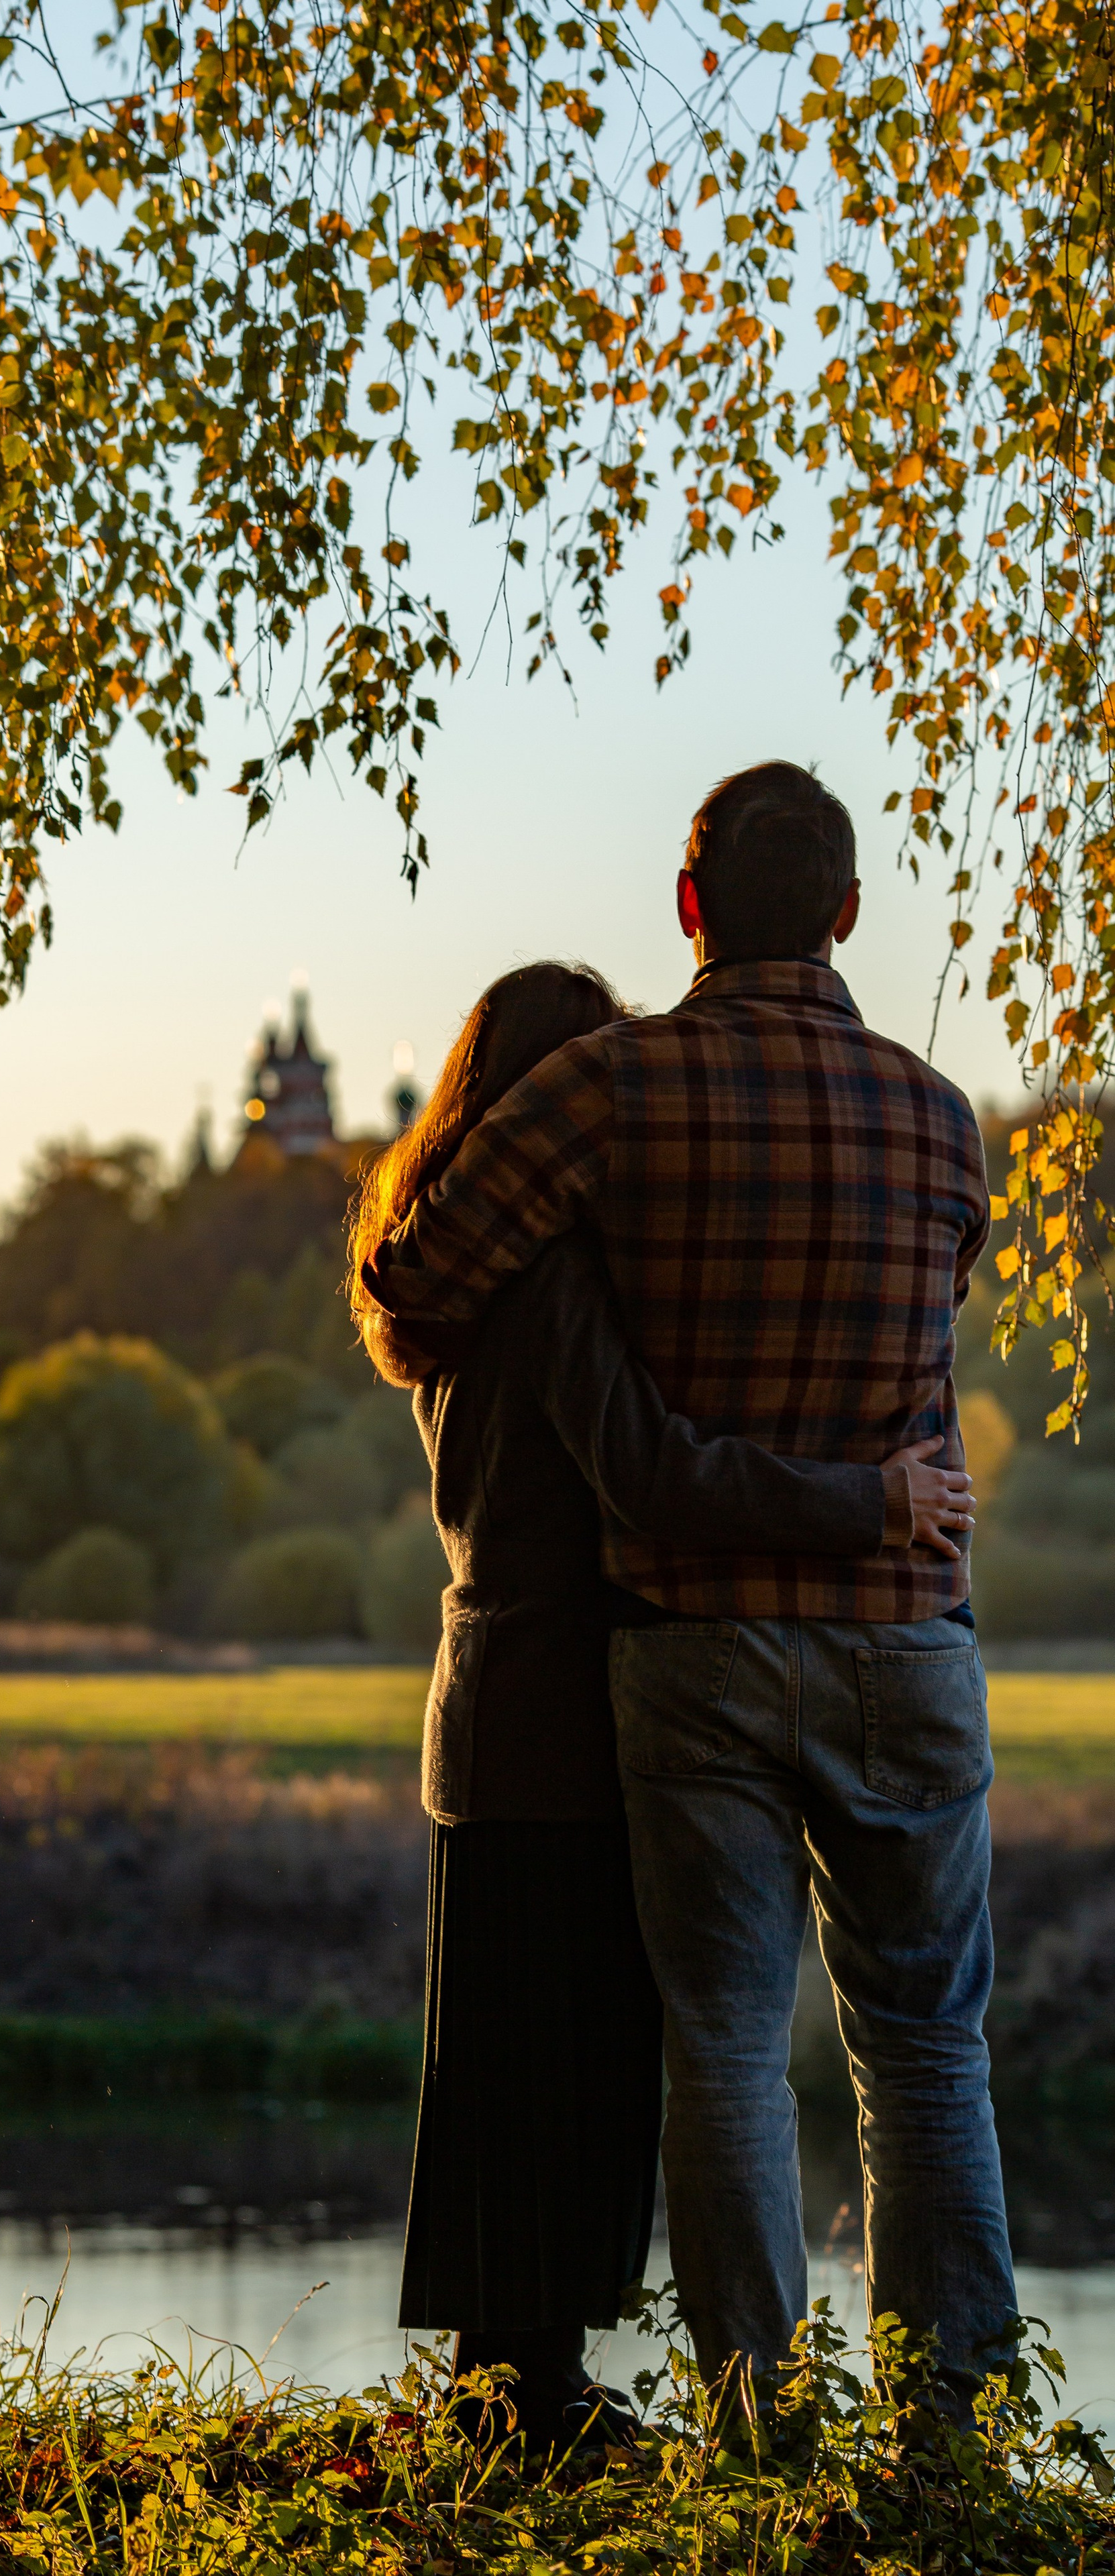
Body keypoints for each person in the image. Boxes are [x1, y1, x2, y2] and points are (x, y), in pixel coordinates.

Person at [361, 762, 1016, 2422]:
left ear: (687, 908)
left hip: (697, 1646)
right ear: (851, 912)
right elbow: (910, 1328)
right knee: (926, 2045)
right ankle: (946, 2422)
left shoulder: (609, 1095)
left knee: (722, 2051)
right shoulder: (943, 1120)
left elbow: (419, 1273)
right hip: (898, 1630)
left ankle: (753, 2421)